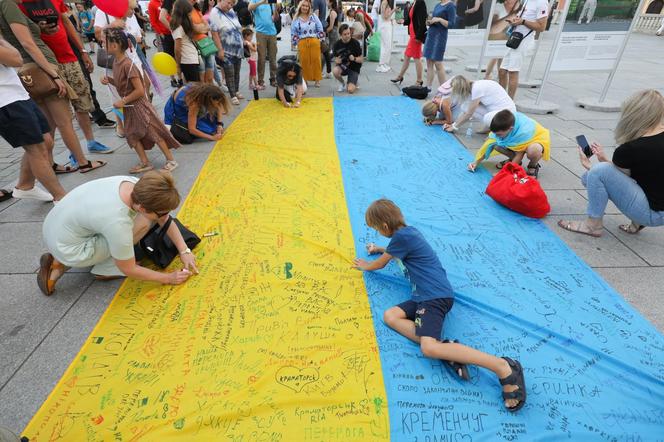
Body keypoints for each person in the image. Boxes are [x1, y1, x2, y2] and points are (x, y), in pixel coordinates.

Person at [353, 199, 527, 412]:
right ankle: (449, 350)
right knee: (391, 316)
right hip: (423, 296)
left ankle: (503, 367)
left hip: (434, 297)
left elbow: (382, 263)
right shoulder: (408, 233)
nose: (378, 233)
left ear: (385, 227)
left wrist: (367, 266)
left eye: (376, 229)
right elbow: (393, 252)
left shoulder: (400, 239)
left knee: (428, 347)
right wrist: (379, 248)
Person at [38, 171, 198, 295]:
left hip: (55, 229)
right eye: (162, 213)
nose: (165, 217)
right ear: (142, 207)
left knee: (146, 220)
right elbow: (129, 269)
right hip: (70, 248)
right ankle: (105, 269)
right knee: (144, 223)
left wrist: (184, 250)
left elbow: (164, 219)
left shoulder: (136, 185)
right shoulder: (117, 220)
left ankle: (59, 262)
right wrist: (168, 278)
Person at [0, 0, 108, 174]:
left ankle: (49, 163)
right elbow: (28, 43)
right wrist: (53, 74)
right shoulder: (8, 4)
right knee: (64, 121)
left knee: (48, 123)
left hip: (31, 70)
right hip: (41, 67)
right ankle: (82, 162)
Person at [558, 90, 664, 237]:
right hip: (658, 204)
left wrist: (588, 164)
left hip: (653, 213)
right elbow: (642, 175)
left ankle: (593, 225)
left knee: (593, 174)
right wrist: (604, 160)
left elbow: (612, 176)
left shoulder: (631, 148)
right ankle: (637, 222)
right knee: (593, 175)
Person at [101, 28, 180, 173]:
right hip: (130, 107)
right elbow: (122, 84)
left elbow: (139, 90)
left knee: (154, 132)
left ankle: (171, 160)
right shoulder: (116, 63)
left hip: (139, 106)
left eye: (104, 42)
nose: (102, 45)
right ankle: (145, 162)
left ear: (115, 45)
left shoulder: (127, 65)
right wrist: (110, 80)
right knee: (131, 135)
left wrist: (123, 101)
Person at [0, 37, 67, 203]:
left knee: (46, 141)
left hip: (17, 96)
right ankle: (61, 198)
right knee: (37, 149)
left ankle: (25, 185)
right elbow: (16, 59)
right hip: (6, 102)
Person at [467, 109, 550, 177]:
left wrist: (504, 173)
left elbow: (519, 154)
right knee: (495, 144)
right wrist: (476, 162)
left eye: (499, 134)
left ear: (510, 129)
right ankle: (513, 161)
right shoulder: (503, 126)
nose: (497, 136)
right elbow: (488, 145)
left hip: (534, 139)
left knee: (533, 150)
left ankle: (532, 165)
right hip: (518, 139)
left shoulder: (522, 132)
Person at [499, 0, 548, 99]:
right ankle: (501, 98)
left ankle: (509, 103)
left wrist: (523, 22)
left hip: (524, 40)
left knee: (513, 72)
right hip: (515, 38)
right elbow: (522, 17)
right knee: (502, 71)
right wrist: (515, 21)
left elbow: (542, 27)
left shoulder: (542, 2)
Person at [443, 75, 516, 133]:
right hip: (502, 112)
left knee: (486, 117)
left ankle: (495, 131)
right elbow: (466, 111)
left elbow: (469, 114)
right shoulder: (472, 86)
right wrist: (453, 125)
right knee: (465, 107)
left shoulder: (476, 89)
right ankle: (490, 127)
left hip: (506, 115)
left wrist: (454, 127)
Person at [164, 82, 229, 142]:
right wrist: (212, 138)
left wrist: (219, 124)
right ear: (209, 100)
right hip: (178, 109)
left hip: (188, 103)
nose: (218, 104)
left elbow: (219, 106)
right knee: (210, 131)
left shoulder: (207, 91)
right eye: (216, 103)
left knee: (214, 124)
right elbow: (192, 129)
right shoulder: (194, 104)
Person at [209, 0, 244, 105]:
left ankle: (236, 91)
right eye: (228, 3)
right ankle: (232, 95)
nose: (230, 6)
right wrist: (220, 50)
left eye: (232, 4)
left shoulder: (231, 11)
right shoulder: (215, 12)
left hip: (237, 49)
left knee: (237, 71)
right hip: (225, 49)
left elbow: (237, 27)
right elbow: (214, 33)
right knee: (229, 72)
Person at [390, 0, 426, 86]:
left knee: (417, 58)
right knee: (407, 56)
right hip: (412, 35)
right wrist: (403, 21)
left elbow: (422, 20)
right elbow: (411, 19)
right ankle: (400, 76)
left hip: (416, 36)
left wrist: (419, 36)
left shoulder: (420, 2)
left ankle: (419, 80)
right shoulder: (414, 2)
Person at [422, 0, 455, 89]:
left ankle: (444, 89)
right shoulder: (438, 5)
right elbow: (433, 19)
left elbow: (451, 24)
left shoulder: (450, 6)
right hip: (431, 34)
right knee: (429, 62)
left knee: (438, 63)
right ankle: (428, 87)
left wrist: (439, 19)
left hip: (440, 37)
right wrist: (429, 21)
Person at [291, 0, 325, 87]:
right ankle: (305, 80)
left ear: (309, 7)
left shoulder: (313, 16)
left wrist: (318, 39)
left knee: (316, 60)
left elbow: (320, 28)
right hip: (302, 42)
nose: (305, 7)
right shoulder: (296, 18)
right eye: (303, 6)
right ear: (300, 7)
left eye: (307, 6)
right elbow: (293, 32)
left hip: (314, 41)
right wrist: (297, 41)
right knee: (304, 61)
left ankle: (317, 80)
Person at [485, 0, 520, 80]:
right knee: (496, 56)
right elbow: (493, 29)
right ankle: (488, 75)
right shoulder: (498, 6)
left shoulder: (520, 7)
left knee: (503, 57)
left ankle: (500, 76)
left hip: (511, 38)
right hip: (498, 38)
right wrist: (511, 16)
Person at [170, 0, 202, 83]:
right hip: (191, 58)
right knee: (194, 86)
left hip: (188, 60)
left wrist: (178, 65)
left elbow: (177, 49)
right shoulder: (184, 24)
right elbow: (178, 48)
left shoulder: (178, 26)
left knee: (193, 87)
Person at [249, 0, 279, 88]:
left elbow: (274, 19)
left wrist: (276, 11)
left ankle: (273, 79)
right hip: (260, 33)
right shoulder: (255, 0)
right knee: (261, 58)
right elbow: (249, 8)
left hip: (272, 32)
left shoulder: (272, 2)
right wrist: (262, 2)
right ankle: (260, 80)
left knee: (273, 58)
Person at [149, 0, 180, 87]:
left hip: (176, 32)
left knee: (178, 55)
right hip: (166, 34)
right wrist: (161, 33)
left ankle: (180, 76)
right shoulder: (152, 3)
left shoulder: (166, 1)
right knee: (169, 57)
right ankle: (173, 79)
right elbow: (153, 21)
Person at [189, 0, 216, 83]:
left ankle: (209, 93)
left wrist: (199, 28)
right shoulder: (186, 11)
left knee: (210, 75)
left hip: (206, 43)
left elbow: (208, 26)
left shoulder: (197, 9)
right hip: (195, 45)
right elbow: (193, 29)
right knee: (202, 75)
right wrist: (201, 27)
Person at [332, 24, 362, 93]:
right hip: (343, 67)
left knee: (350, 90)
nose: (347, 36)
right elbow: (335, 58)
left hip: (354, 68)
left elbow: (361, 60)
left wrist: (354, 58)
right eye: (345, 34)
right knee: (335, 71)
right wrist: (337, 61)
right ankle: (342, 83)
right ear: (340, 35)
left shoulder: (355, 43)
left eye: (348, 33)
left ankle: (354, 81)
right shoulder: (337, 44)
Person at [376, 0, 394, 73]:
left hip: (387, 25)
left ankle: (384, 64)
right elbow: (385, 16)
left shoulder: (385, 2)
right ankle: (381, 64)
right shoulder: (384, 2)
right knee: (385, 46)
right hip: (385, 26)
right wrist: (394, 10)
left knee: (388, 46)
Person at [323, 0, 340, 77]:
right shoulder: (333, 11)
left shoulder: (333, 12)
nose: (326, 3)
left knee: (328, 52)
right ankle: (329, 71)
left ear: (331, 2)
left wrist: (324, 32)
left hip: (332, 33)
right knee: (330, 52)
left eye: (327, 1)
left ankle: (328, 72)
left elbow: (331, 26)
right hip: (333, 33)